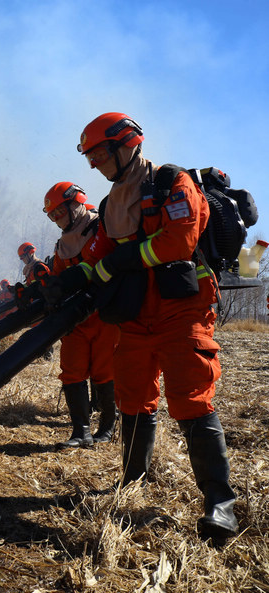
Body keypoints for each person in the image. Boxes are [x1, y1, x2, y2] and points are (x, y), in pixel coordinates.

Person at [42, 112, 238, 540]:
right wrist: (72, 278)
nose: (93, 164)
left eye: (98, 154)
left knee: (190, 397)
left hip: (181, 308)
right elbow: (101, 254)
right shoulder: (113, 204)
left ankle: (221, 504)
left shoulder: (172, 182)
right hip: (133, 315)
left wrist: (125, 259)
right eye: (89, 157)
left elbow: (180, 239)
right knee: (132, 396)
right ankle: (132, 481)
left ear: (125, 143)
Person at [42, 182, 120, 448]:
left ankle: (108, 427)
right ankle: (81, 432)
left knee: (104, 371)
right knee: (72, 371)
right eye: (51, 216)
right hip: (76, 319)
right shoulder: (62, 246)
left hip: (104, 313)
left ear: (75, 203)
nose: (56, 220)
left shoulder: (103, 227)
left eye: (59, 213)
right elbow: (58, 277)